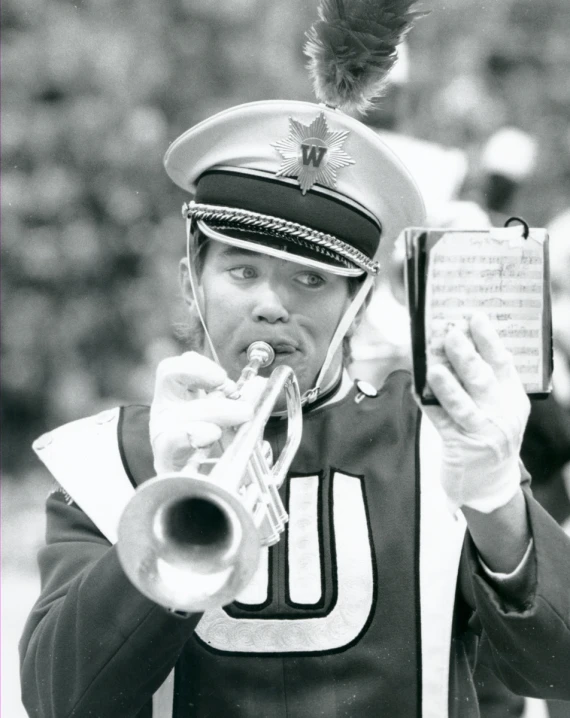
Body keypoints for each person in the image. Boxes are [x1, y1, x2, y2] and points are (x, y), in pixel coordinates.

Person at [19, 4, 570, 718]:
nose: (272, 307)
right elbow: (60, 700)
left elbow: (555, 674)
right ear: (192, 275)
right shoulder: (111, 463)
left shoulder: (436, 440)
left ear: (359, 300)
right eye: (242, 271)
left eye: (311, 280)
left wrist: (497, 500)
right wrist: (165, 495)